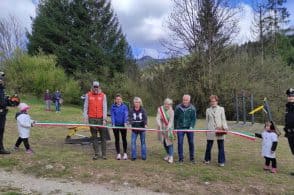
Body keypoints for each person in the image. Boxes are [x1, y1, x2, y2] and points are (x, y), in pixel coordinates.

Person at [83, 81, 108, 160]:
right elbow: (85, 107)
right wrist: (85, 118)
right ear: (92, 86)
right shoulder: (88, 95)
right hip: (92, 118)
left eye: (97, 86)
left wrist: (104, 119)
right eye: (94, 86)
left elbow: (105, 108)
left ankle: (104, 154)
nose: (96, 88)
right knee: (94, 137)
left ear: (99, 87)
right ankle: (96, 153)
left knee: (103, 137)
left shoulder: (103, 95)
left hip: (101, 119)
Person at [204, 95, 229, 167]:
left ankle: (221, 161)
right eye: (212, 101)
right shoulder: (208, 110)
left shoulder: (221, 109)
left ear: (217, 101)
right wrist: (206, 129)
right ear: (210, 102)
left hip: (220, 129)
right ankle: (207, 159)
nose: (213, 103)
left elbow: (223, 119)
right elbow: (207, 121)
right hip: (210, 129)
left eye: (214, 101)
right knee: (209, 145)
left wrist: (225, 127)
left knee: (221, 145)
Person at [0, 72, 20, 154]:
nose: (2, 80)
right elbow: (1, 103)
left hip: (2, 113)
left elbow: (3, 101)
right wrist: (9, 101)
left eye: (2, 78)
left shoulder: (1, 89)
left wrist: (11, 101)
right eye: (1, 78)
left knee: (1, 131)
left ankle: (0, 148)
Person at [174, 94, 196, 164]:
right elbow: (175, 118)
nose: (185, 101)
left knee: (191, 142)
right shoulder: (178, 107)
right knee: (180, 142)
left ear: (189, 100)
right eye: (184, 100)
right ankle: (181, 159)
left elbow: (193, 119)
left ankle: (192, 159)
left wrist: (191, 127)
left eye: (186, 100)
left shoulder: (192, 108)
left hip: (189, 128)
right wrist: (175, 128)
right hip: (180, 128)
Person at [156, 98, 175, 163]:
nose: (167, 105)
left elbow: (171, 121)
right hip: (161, 128)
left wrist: (168, 127)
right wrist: (160, 126)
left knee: (169, 142)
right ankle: (168, 154)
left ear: (170, 105)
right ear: (164, 103)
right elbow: (158, 118)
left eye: (168, 104)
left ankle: (171, 157)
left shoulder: (172, 111)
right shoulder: (160, 109)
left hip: (169, 128)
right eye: (166, 104)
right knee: (164, 142)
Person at [111, 94, 129, 160]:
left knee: (124, 139)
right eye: (117, 99)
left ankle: (125, 153)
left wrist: (125, 122)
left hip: (123, 125)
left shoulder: (125, 106)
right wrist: (113, 123)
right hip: (115, 125)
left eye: (119, 99)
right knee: (117, 139)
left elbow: (126, 114)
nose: (118, 100)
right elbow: (112, 115)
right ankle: (118, 153)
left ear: (121, 100)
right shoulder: (113, 106)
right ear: (115, 100)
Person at [284, 88, 294, 176]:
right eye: (289, 96)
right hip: (290, 133)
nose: (291, 97)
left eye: (292, 95)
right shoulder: (287, 106)